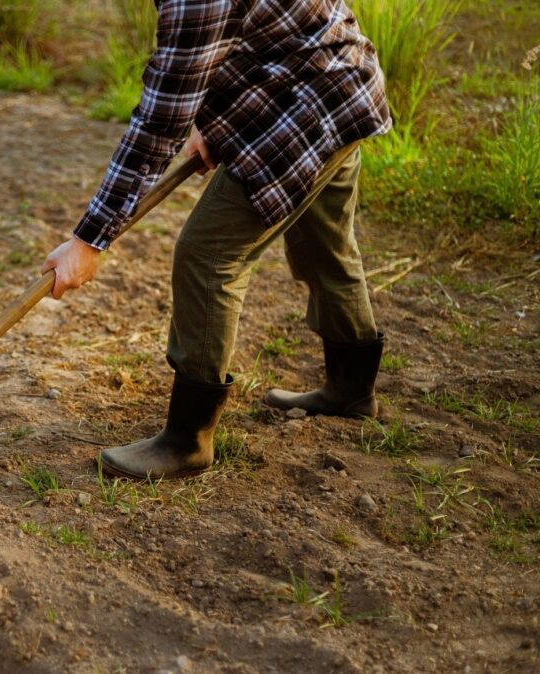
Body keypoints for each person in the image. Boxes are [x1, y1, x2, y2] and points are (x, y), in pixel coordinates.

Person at [41, 0, 391, 479]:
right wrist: (213, 119)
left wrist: (89, 241)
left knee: (207, 256)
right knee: (323, 243)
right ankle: (352, 390)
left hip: (306, 105)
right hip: (340, 81)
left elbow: (159, 122)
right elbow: (244, 35)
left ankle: (187, 441)